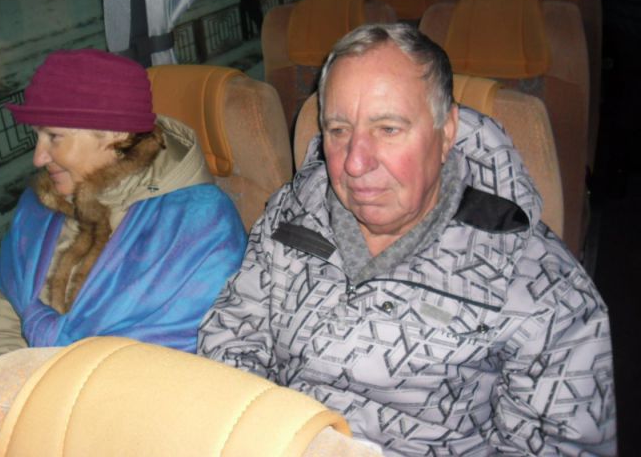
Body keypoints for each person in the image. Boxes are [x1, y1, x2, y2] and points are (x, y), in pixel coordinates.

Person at [198, 23, 616, 455]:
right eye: (338, 130)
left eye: (388, 129)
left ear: (446, 133)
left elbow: (559, 445)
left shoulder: (542, 285)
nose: (355, 162)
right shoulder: (291, 215)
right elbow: (231, 340)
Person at [0, 49, 246, 361]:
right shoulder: (40, 207)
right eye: (37, 137)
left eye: (54, 137)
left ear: (115, 134)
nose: (38, 158)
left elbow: (188, 358)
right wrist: (16, 378)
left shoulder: (200, 226)